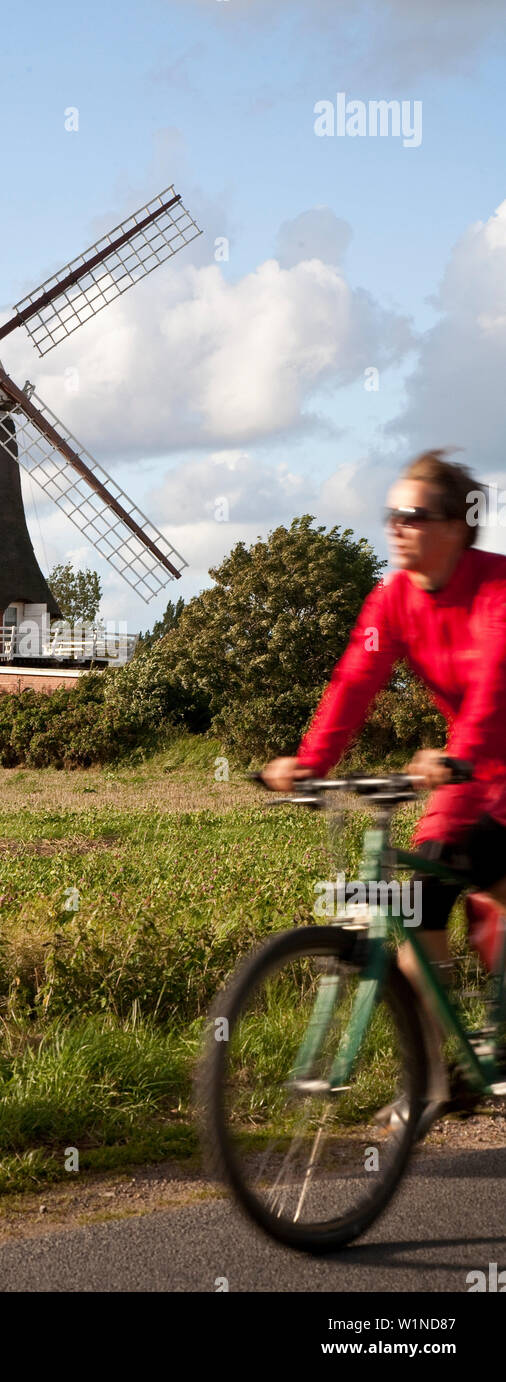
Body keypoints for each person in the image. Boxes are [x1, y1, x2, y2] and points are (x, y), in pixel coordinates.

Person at [262, 450, 506, 1135]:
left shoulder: (497, 590)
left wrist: (459, 754)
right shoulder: (393, 598)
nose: (396, 528)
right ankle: (439, 1079)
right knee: (419, 898)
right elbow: (355, 681)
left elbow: (495, 680)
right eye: (391, 515)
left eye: (414, 515)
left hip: (482, 754)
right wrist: (310, 763)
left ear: (458, 527)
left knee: (492, 880)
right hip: (471, 767)